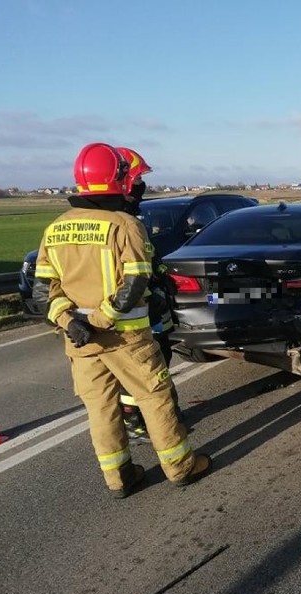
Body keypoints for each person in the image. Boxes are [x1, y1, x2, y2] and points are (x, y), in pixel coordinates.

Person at [32, 142, 211, 498]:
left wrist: (71, 323)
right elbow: (135, 282)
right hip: (125, 337)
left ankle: (119, 478)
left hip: (79, 341)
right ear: (119, 180)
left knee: (101, 408)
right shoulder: (124, 224)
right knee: (154, 396)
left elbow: (42, 291)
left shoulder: (56, 228)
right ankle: (180, 467)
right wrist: (100, 319)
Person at [115, 147, 181, 443]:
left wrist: (162, 280)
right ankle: (134, 419)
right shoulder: (118, 221)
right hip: (132, 311)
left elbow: (147, 259)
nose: (142, 185)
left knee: (162, 356)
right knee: (137, 370)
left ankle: (165, 410)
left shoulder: (131, 217)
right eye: (138, 178)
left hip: (151, 305)